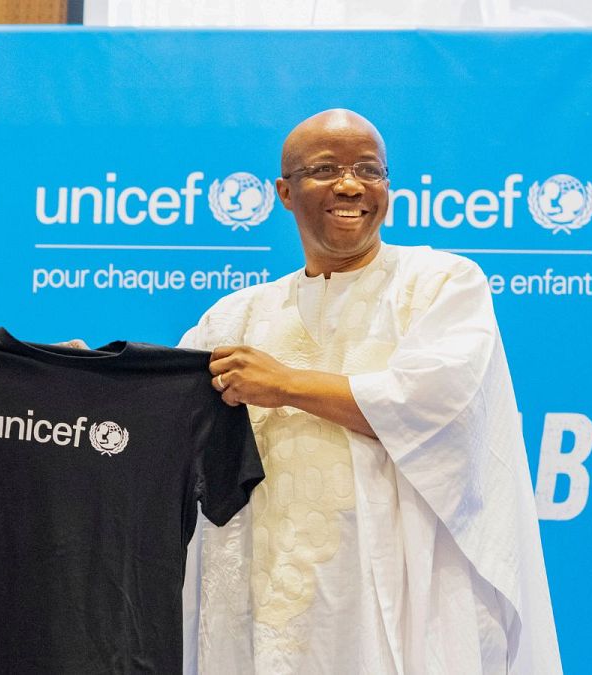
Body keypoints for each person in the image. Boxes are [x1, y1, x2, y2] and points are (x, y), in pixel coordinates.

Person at [179, 109, 561, 674]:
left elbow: (434, 404)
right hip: (266, 598)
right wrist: (84, 381)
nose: (351, 185)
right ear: (284, 192)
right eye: (325, 169)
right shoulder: (234, 318)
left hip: (398, 598)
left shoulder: (440, 285)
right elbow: (166, 420)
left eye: (369, 170)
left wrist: (285, 384)